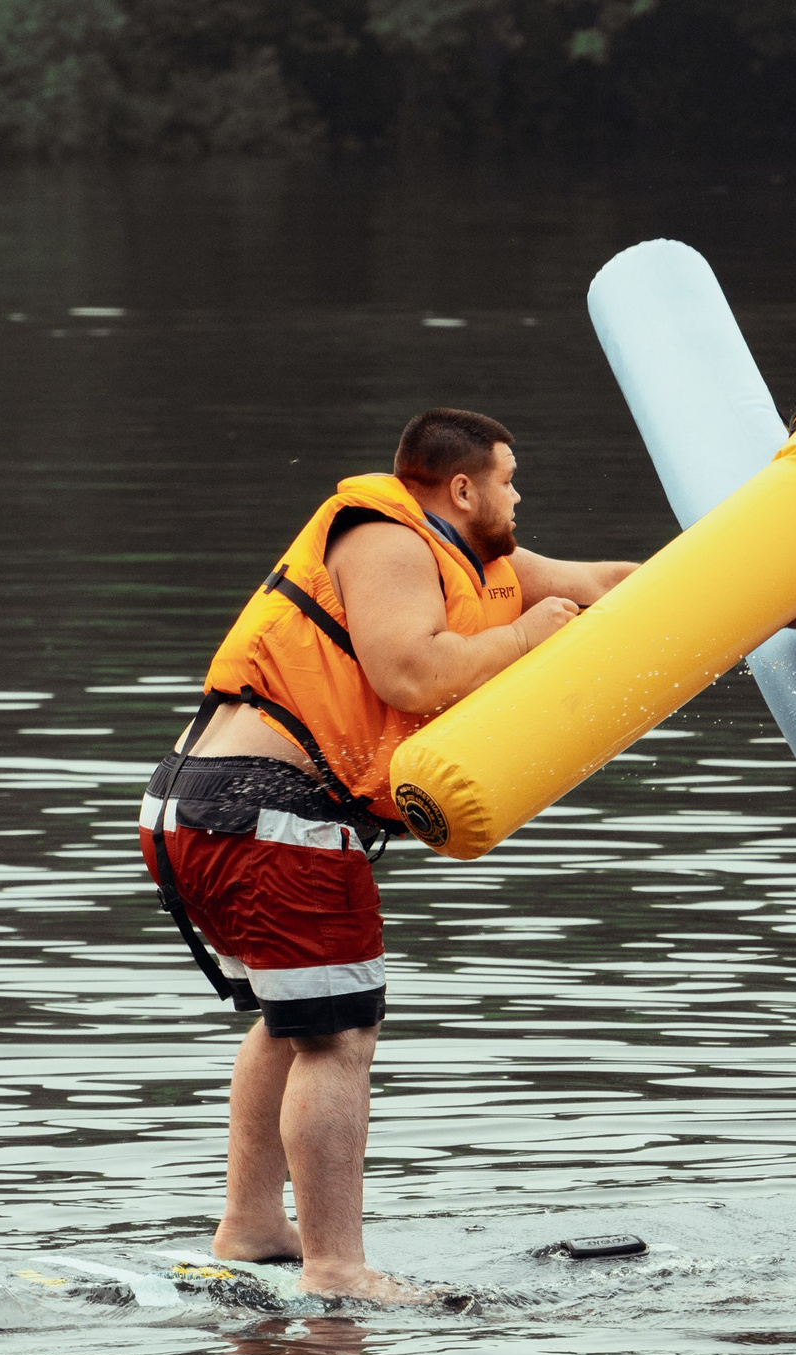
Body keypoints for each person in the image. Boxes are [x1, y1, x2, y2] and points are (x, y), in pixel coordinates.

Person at [139, 408, 637, 1301]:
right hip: (267, 809)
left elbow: (612, 581)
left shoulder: (479, 565)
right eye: (511, 480)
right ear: (462, 488)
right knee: (339, 1034)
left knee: (292, 1017)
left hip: (207, 806)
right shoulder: (389, 540)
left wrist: (767, 597)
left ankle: (252, 1223)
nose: (519, 497)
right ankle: (336, 1269)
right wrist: (527, 637)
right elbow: (408, 674)